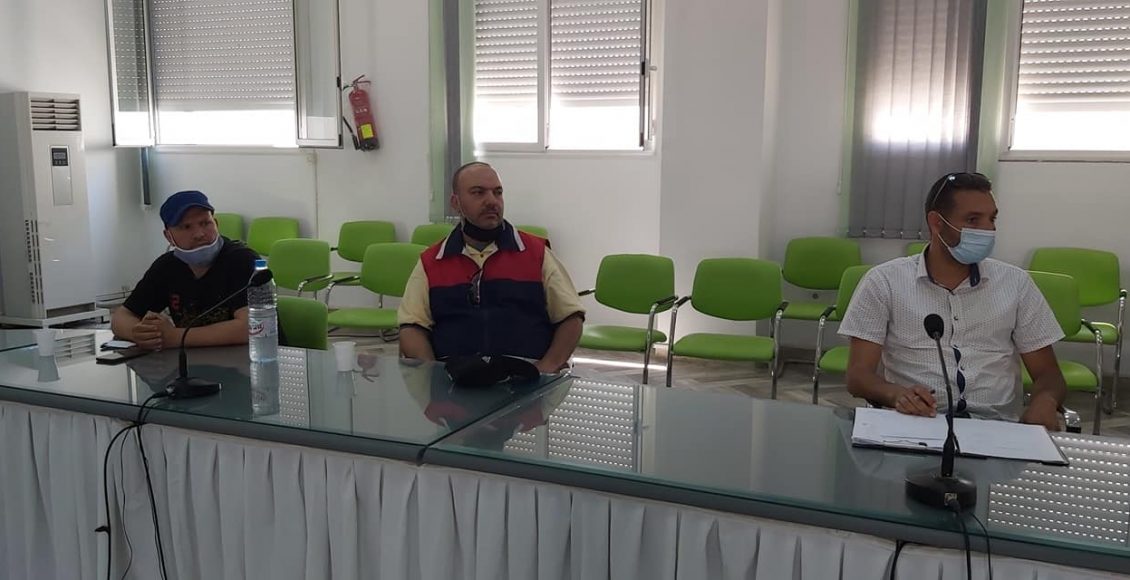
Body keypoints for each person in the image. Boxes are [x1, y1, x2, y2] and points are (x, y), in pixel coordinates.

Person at [838, 172, 1067, 430]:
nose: (988, 230)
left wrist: (1045, 401)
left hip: (995, 427)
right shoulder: (884, 282)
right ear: (937, 223)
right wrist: (896, 395)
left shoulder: (1016, 284)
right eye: (973, 220)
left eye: (992, 219)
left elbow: (1048, 374)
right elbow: (858, 376)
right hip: (915, 424)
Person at [398, 162, 585, 373]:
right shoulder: (432, 261)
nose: (492, 201)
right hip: (453, 381)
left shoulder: (537, 254)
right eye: (478, 193)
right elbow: (411, 327)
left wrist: (545, 369)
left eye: (497, 193)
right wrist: (432, 376)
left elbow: (571, 318)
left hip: (525, 378)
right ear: (455, 203)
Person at [111, 190, 260, 351]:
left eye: (205, 223)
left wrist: (175, 337)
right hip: (189, 360)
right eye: (186, 227)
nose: (199, 234)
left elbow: (253, 327)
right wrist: (139, 333)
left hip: (247, 359)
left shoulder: (242, 260)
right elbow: (122, 316)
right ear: (169, 236)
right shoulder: (166, 266)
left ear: (216, 224)